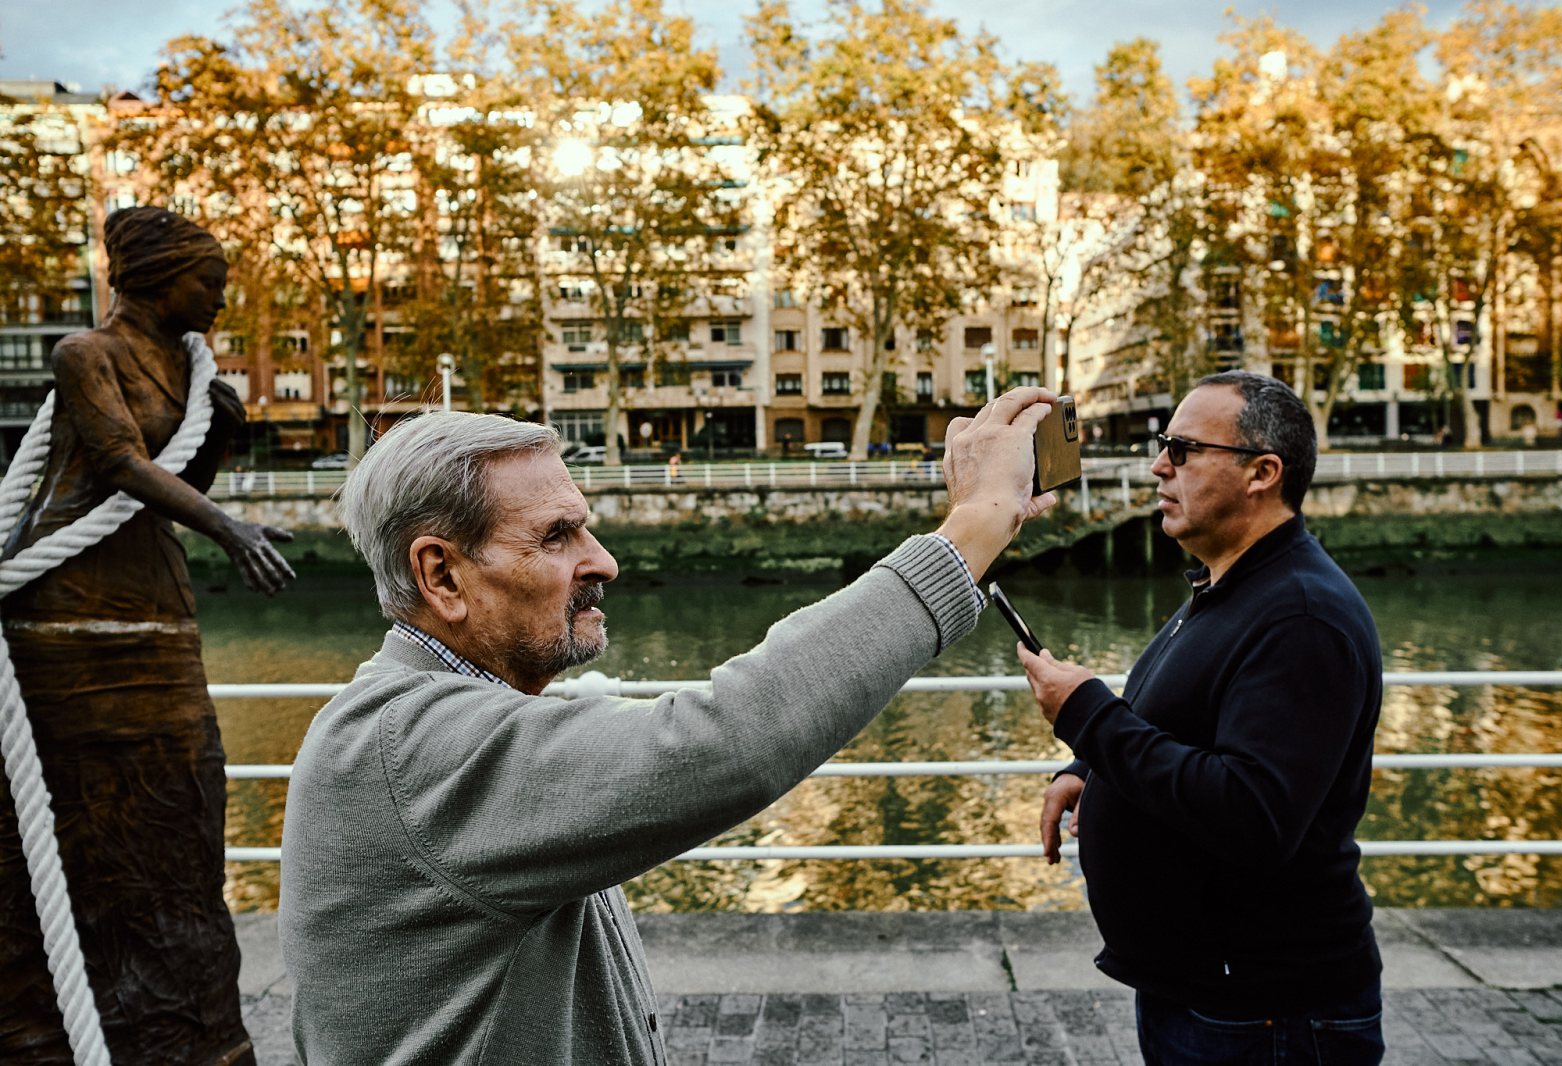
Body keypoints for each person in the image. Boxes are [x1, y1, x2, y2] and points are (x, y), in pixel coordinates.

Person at [279, 388, 1059, 1064]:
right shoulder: (408, 749)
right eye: (557, 536)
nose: (605, 561)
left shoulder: (460, 720)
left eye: (584, 527)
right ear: (441, 575)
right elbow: (727, 739)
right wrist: (977, 525)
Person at [0, 206, 296, 1064]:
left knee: (183, 803)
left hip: (154, 603)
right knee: (79, 816)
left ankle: (186, 1024)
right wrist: (231, 528)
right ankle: (41, 1024)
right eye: (210, 283)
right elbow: (121, 465)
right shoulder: (85, 355)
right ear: (160, 278)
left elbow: (166, 472)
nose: (220, 301)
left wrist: (219, 437)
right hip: (72, 610)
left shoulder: (186, 366)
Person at [1020, 371, 1385, 1065]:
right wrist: (1089, 769)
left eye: (1182, 449)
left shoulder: (1302, 616)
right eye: (1164, 445)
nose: (1159, 465)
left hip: (1268, 1013)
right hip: (1208, 994)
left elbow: (1253, 812)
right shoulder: (1230, 584)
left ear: (1262, 473)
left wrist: (1090, 719)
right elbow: (1182, 721)